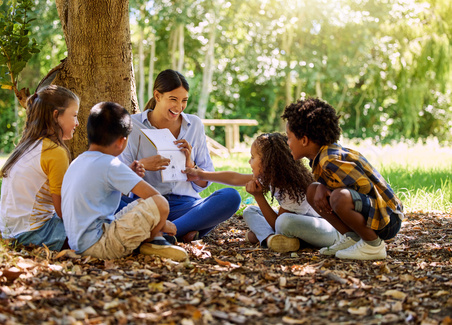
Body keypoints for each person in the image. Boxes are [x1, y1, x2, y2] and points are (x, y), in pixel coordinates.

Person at [119, 69, 241, 243]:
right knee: (108, 200)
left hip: (186, 205)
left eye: (184, 100)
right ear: (157, 95)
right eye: (173, 99)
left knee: (231, 197)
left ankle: (163, 234)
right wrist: (143, 165)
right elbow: (119, 176)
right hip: (148, 204)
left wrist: (192, 167)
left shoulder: (194, 125)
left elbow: (205, 181)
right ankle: (182, 232)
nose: (179, 107)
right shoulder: (133, 125)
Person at [61, 102, 188, 261]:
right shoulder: (110, 164)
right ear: (122, 141)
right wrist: (163, 224)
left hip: (78, 244)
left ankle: (151, 239)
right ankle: (153, 240)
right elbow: (154, 197)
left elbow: (99, 192)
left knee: (137, 205)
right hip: (100, 246)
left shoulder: (78, 161)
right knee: (160, 204)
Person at [281, 98, 404, 260]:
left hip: (387, 217)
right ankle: (353, 237)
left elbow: (364, 186)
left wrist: (327, 187)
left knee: (340, 197)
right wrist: (323, 186)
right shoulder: (321, 158)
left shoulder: (330, 159)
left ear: (304, 140)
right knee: (313, 190)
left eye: (289, 138)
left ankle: (373, 246)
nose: (287, 143)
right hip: (375, 212)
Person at [184, 132, 341, 253]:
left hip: (327, 231)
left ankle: (279, 238)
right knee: (250, 210)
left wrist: (258, 197)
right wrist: (201, 174)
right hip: (294, 225)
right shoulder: (272, 176)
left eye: (252, 157)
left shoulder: (293, 188)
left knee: (284, 221)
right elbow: (234, 177)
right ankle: (270, 239)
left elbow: (278, 224)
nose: (249, 162)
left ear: (267, 163)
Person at [0, 85, 80, 251]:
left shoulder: (28, 145)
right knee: (94, 228)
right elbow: (64, 211)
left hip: (10, 233)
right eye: (75, 115)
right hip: (33, 235)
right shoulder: (55, 152)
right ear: (56, 115)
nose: (77, 123)